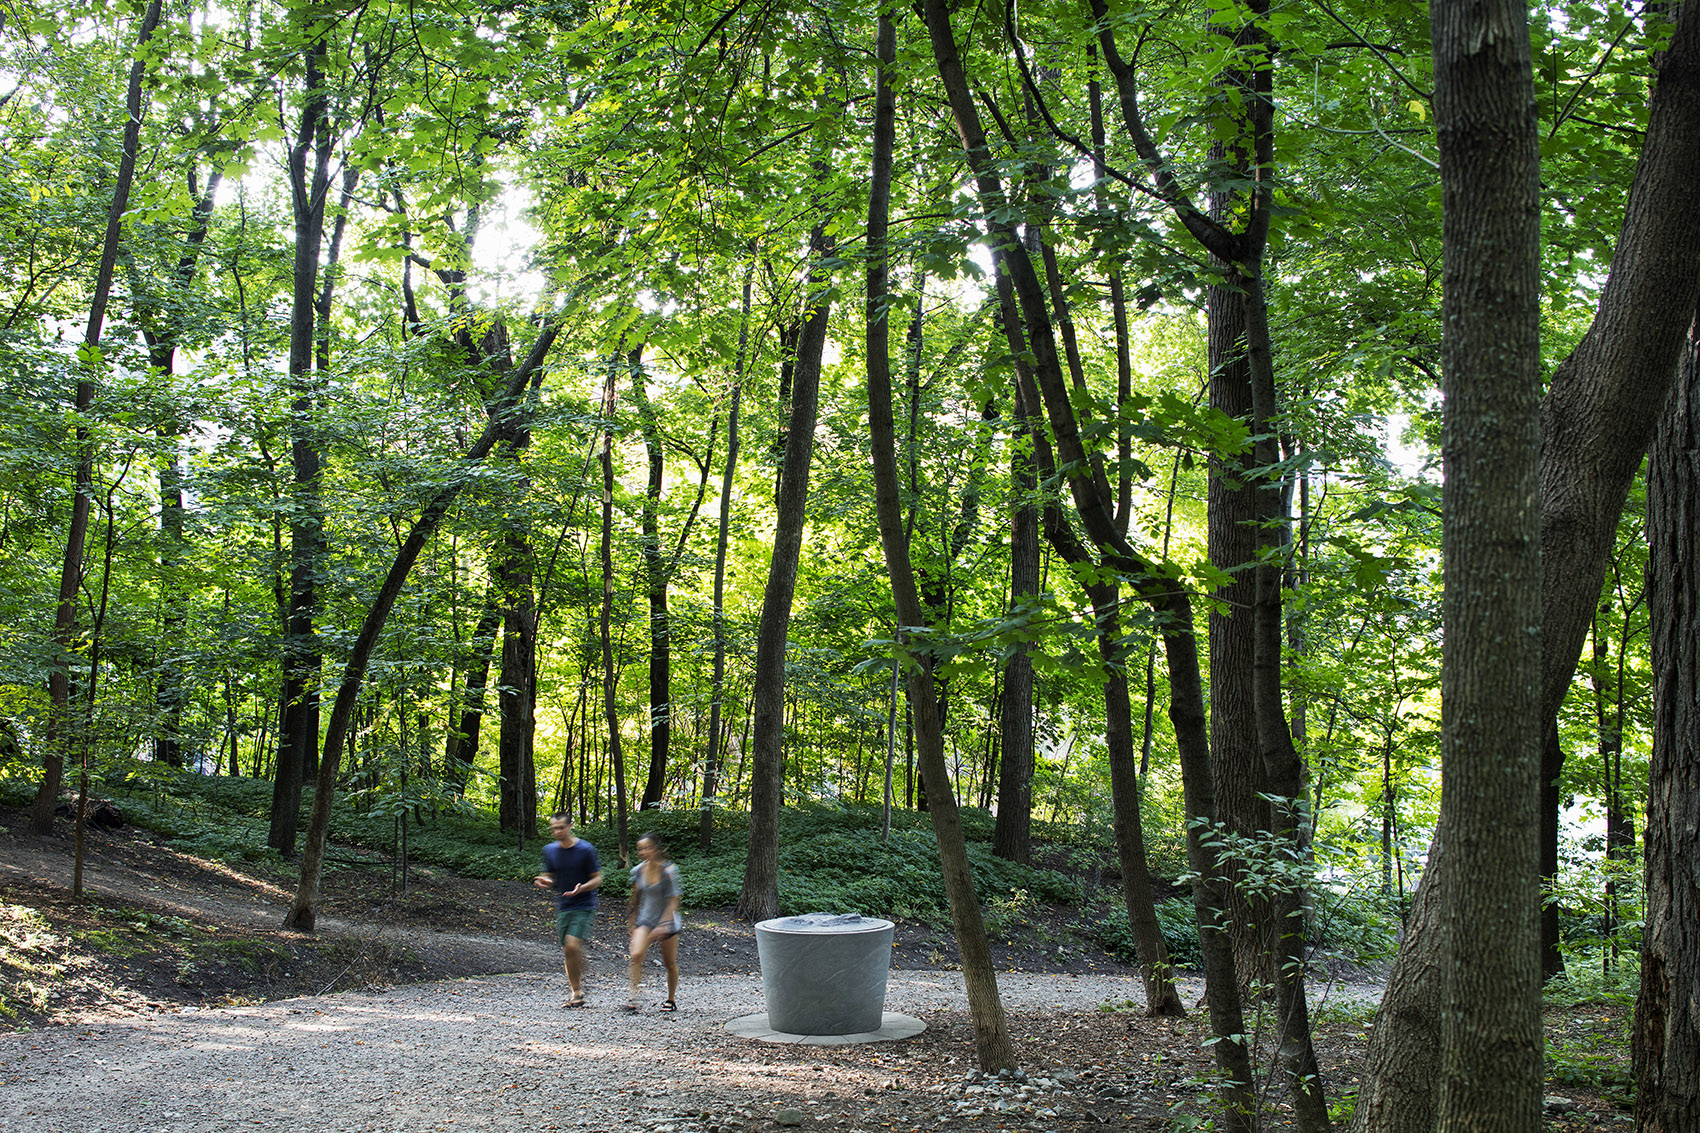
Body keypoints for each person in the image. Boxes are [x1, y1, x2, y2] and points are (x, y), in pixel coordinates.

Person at [534, 814, 602, 1007]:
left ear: (570, 826)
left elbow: (598, 879)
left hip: (584, 904)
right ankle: (576, 992)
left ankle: (578, 989)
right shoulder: (549, 850)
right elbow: (549, 875)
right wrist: (544, 881)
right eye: (554, 828)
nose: (557, 832)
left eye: (561, 828)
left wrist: (582, 888)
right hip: (564, 906)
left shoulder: (585, 850)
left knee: (571, 946)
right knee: (568, 950)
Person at [623, 832, 682, 1012]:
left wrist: (663, 925)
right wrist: (631, 919)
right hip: (646, 920)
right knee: (636, 955)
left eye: (647, 847)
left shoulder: (668, 871)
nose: (643, 851)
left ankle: (670, 1000)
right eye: (640, 848)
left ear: (656, 848)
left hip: (668, 922)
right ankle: (633, 998)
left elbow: (674, 901)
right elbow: (635, 896)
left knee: (669, 963)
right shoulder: (638, 870)